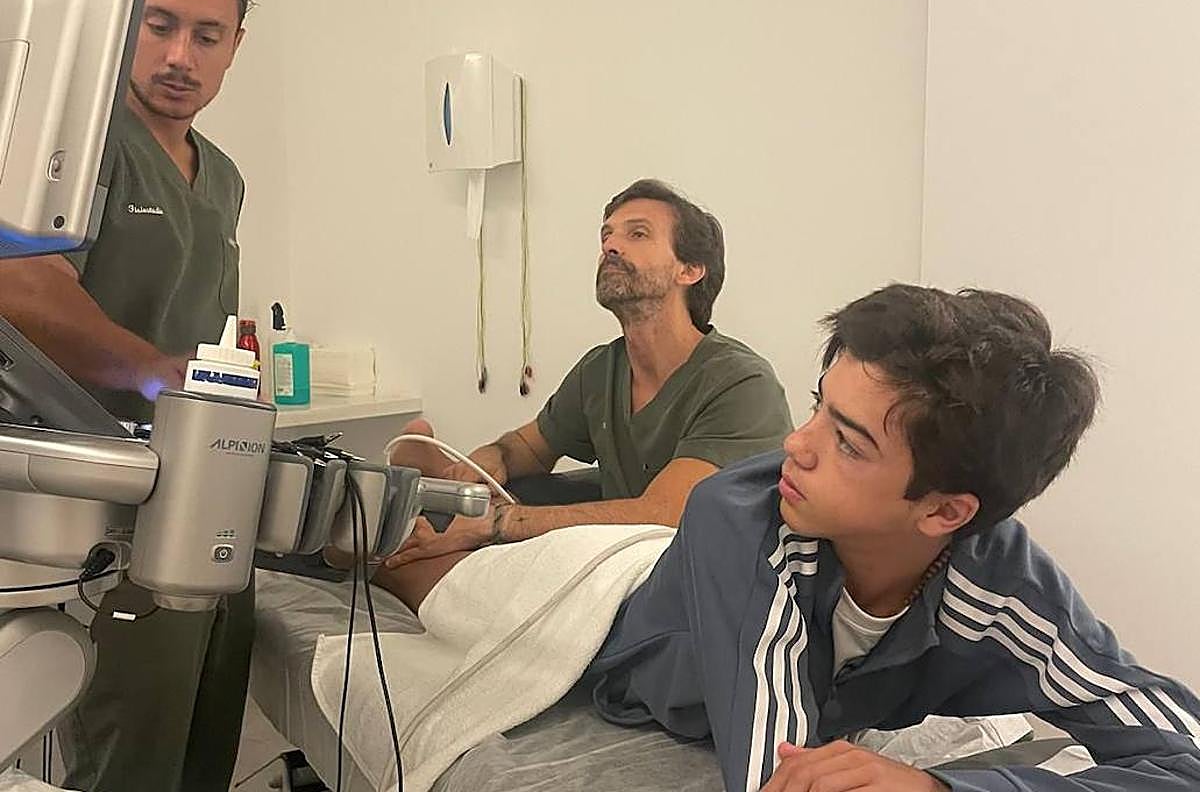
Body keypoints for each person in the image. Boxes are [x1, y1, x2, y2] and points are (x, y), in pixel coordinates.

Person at [586, 284, 1200, 791]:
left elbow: (1184, 757)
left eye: (848, 443)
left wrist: (940, 788)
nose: (796, 444)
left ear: (945, 512)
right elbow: (785, 778)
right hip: (634, 635)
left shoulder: (1000, 583)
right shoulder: (739, 520)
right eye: (818, 407)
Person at [0, 0, 253, 789]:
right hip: (100, 503)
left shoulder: (223, 177)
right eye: (160, 25)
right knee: (132, 745)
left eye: (206, 35)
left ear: (235, 46)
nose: (181, 55)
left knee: (205, 731)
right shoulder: (75, 141)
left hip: (197, 487)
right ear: (122, 24)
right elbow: (20, 286)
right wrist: (162, 376)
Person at [373, 179, 794, 610]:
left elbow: (667, 514)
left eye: (637, 234)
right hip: (621, 564)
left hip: (703, 587)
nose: (611, 245)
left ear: (689, 270)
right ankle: (413, 502)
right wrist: (492, 459)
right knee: (405, 543)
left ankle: (398, 534)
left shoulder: (741, 382)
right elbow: (528, 448)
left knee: (403, 565)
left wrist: (499, 522)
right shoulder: (602, 369)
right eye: (606, 235)